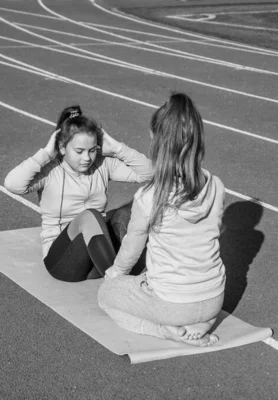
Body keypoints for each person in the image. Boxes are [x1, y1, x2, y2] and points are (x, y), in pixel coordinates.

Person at [98, 93, 226, 347]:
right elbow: (213, 231)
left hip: (173, 305)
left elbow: (132, 247)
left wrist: (115, 275)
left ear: (158, 143)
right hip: (214, 298)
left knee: (105, 297)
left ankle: (165, 331)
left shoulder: (150, 195)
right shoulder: (217, 186)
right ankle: (204, 322)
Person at [4, 105, 152, 282]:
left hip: (95, 260)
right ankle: (118, 283)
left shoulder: (102, 164)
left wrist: (117, 148)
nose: (87, 158)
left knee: (133, 207)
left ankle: (136, 271)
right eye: (79, 151)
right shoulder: (49, 171)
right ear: (62, 148)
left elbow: (150, 172)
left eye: (92, 150)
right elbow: (13, 185)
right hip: (64, 263)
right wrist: (45, 154)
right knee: (89, 216)